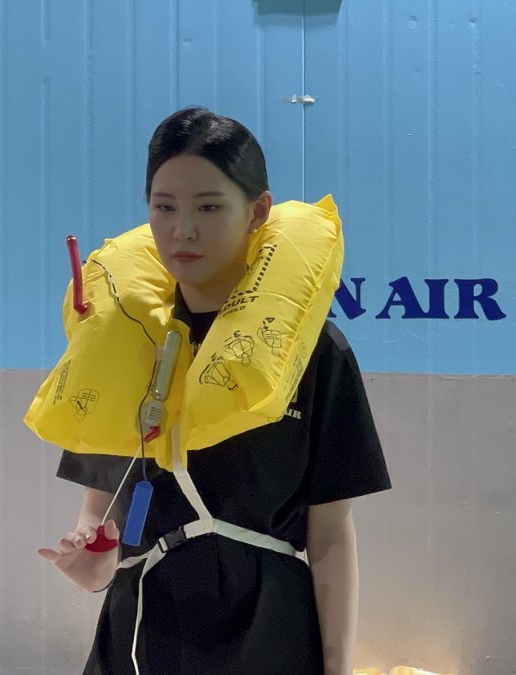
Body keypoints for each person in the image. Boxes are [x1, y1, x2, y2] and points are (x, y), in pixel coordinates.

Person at [38, 107, 391, 675]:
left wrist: (336, 668)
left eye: (208, 206)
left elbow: (330, 538)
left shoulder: (315, 353)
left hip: (267, 634)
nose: (183, 230)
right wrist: (92, 563)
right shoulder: (124, 345)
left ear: (258, 212)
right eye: (164, 207)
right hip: (141, 636)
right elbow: (103, 527)